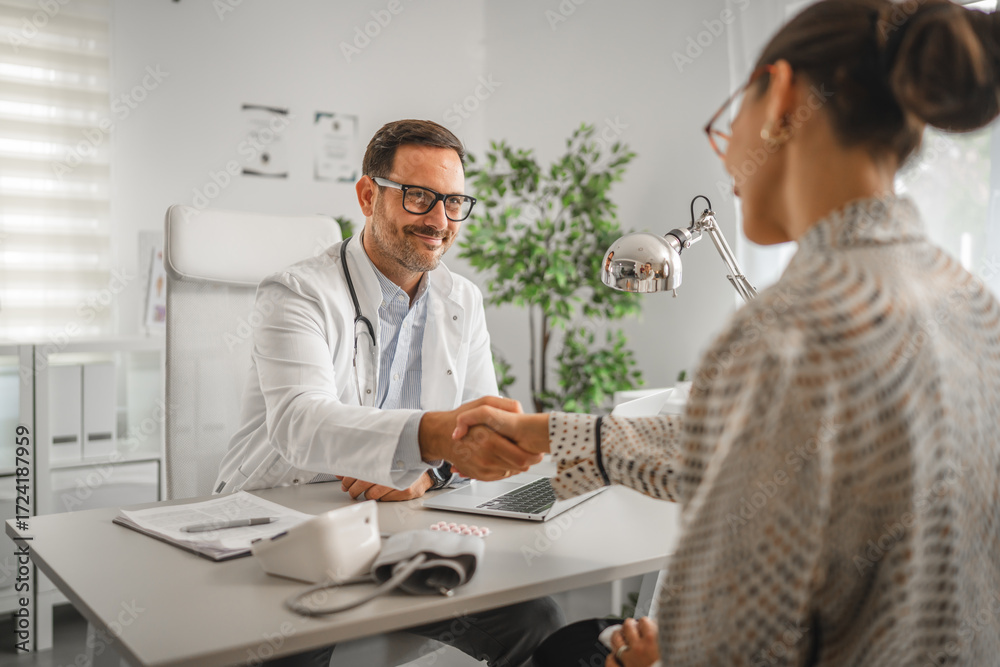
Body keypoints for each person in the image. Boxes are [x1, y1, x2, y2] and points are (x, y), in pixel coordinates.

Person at [454, 2, 1000, 665]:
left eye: (727, 120)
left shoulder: (784, 334)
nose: (728, 155)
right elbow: (750, 447)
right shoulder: (973, 305)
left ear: (780, 98)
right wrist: (549, 432)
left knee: (568, 647)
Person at [215, 119, 563, 666]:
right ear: (367, 196)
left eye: (453, 202)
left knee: (535, 620)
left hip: (402, 529)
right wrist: (429, 439)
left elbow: (476, 435)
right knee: (290, 648)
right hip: (290, 524)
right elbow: (301, 423)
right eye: (420, 197)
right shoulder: (297, 293)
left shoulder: (462, 299)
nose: (440, 221)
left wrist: (429, 471)